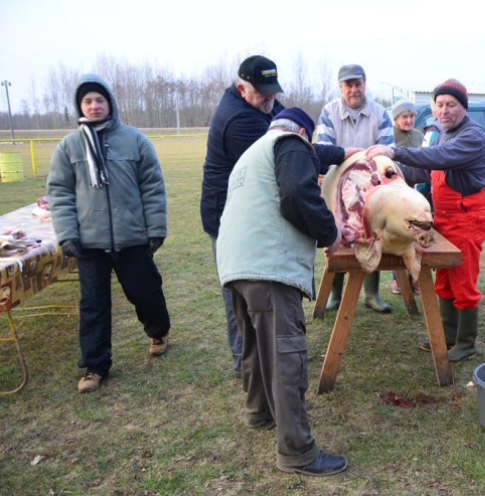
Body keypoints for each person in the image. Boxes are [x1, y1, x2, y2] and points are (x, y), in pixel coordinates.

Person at [216, 108, 348, 476]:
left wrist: (346, 152)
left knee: (256, 346)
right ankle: (297, 451)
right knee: (285, 354)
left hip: (235, 264)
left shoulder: (254, 151)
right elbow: (296, 195)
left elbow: (315, 160)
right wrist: (331, 233)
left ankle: (258, 410)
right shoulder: (291, 144)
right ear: (304, 133)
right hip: (269, 266)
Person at [201, 55, 348, 378]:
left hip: (251, 210)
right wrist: (343, 153)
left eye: (274, 91)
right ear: (242, 88)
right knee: (240, 291)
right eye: (262, 92)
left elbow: (298, 141)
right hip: (228, 217)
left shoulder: (266, 106)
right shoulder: (240, 120)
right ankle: (246, 366)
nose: (271, 98)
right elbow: (291, 153)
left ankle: (259, 366)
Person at [47, 75, 171, 394]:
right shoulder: (69, 146)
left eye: (99, 100)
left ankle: (158, 332)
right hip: (89, 241)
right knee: (94, 305)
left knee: (145, 292)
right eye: (88, 101)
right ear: (80, 106)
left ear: (110, 103)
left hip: (132, 237)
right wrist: (67, 234)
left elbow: (152, 187)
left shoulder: (135, 140)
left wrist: (155, 229)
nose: (94, 106)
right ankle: (95, 366)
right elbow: (59, 193)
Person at [366, 79, 485, 362]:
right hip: (444, 220)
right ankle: (447, 335)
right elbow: (426, 170)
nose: (444, 110)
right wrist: (390, 173)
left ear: (463, 107)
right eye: (439, 104)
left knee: (464, 281)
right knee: (444, 280)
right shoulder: (445, 134)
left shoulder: (472, 136)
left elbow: (438, 157)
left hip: (467, 220)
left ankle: (467, 342)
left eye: (451, 105)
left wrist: (395, 151)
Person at [316, 64, 395, 313]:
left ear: (365, 83)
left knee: (371, 235)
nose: (354, 89)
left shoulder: (381, 114)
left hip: (372, 188)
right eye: (348, 85)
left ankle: (372, 294)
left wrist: (365, 175)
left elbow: (386, 154)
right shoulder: (328, 113)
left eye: (357, 83)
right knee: (336, 235)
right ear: (341, 87)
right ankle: (335, 294)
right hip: (337, 188)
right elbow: (323, 150)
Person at [390, 98, 426, 295]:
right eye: (404, 117)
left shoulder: (419, 136)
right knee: (399, 235)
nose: (409, 120)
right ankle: (398, 278)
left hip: (415, 193)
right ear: (396, 119)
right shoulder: (390, 136)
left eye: (411, 116)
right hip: (396, 194)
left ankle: (415, 278)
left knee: (416, 235)